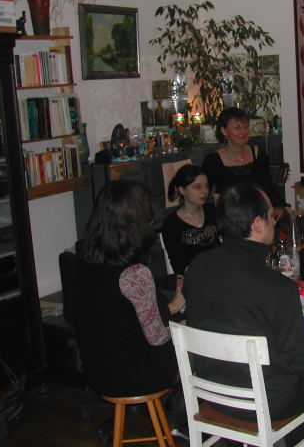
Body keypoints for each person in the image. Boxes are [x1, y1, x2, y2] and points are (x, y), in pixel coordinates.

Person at [183, 181, 304, 445]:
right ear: (257, 224)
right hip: (269, 400)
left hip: (212, 390)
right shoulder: (277, 287)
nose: (275, 222)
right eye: (270, 216)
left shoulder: (198, 266)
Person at [72, 180, 186, 427]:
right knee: (198, 340)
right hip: (132, 376)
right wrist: (179, 311)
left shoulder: (85, 257)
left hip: (97, 367)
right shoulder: (134, 273)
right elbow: (157, 336)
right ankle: (185, 420)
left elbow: (122, 316)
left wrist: (169, 308)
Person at [201, 107, 283, 207]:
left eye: (246, 127)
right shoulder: (212, 161)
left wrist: (282, 206)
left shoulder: (258, 154)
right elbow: (202, 193)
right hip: (229, 214)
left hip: (260, 212)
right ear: (224, 131)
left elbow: (269, 187)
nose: (243, 132)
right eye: (237, 128)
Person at [161, 165, 220, 275]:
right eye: (197, 187)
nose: (204, 191)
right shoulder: (171, 224)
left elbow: (227, 244)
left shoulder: (212, 210)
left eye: (206, 186)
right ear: (182, 190)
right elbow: (178, 266)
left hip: (220, 269)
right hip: (196, 276)